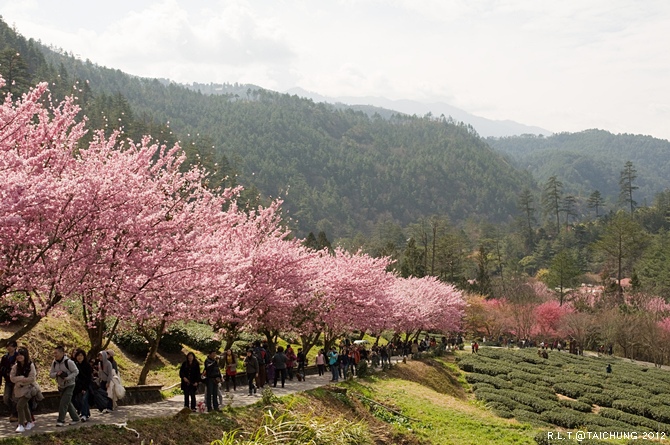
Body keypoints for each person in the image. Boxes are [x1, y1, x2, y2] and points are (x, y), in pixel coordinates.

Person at [49, 345, 80, 427]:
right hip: (61, 386)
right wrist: (57, 373)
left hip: (70, 385)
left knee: (63, 403)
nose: (55, 355)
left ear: (62, 353)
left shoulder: (69, 362)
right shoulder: (54, 363)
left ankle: (61, 420)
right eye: (54, 353)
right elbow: (51, 374)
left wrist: (67, 377)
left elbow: (76, 372)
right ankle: (76, 418)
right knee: (67, 402)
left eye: (56, 353)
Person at [9, 347, 35, 433]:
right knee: (25, 406)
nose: (19, 356)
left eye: (21, 354)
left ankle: (21, 424)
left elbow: (32, 378)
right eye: (18, 355)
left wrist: (22, 382)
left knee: (19, 406)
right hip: (19, 390)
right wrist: (21, 378)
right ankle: (30, 422)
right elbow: (12, 378)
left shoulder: (30, 365)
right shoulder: (16, 366)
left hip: (29, 389)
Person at [1, 340, 19, 422]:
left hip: (16, 381)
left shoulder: (18, 356)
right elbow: (1, 369)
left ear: (15, 347)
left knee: (15, 398)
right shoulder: (5, 357)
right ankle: (13, 411)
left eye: (11, 346)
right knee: (6, 398)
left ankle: (15, 414)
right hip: (8, 380)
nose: (9, 348)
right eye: (7, 346)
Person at [73, 349, 92, 422]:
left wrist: (85, 387)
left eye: (81, 355)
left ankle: (84, 414)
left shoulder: (87, 366)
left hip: (86, 385)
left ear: (84, 356)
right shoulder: (75, 365)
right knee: (76, 400)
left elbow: (88, 378)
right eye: (78, 355)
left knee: (84, 399)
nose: (79, 357)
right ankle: (84, 412)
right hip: (77, 386)